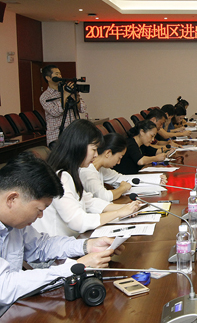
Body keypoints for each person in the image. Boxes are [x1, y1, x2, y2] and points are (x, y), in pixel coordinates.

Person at [0, 152, 123, 307]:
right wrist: (75, 268)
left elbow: (41, 246)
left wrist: (87, 245)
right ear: (12, 199)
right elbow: (4, 288)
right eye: (39, 210)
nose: (40, 216)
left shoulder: (15, 224)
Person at [32, 120, 142, 237]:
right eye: (94, 149)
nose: (96, 155)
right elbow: (78, 221)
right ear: (79, 146)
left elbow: (89, 202)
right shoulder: (60, 177)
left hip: (71, 239)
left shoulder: (72, 172)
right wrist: (118, 213)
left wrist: (125, 207)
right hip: (58, 243)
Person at [39, 65, 87, 146]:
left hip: (74, 135)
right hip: (57, 136)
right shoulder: (45, 96)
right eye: (56, 74)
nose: (60, 76)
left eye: (60, 74)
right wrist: (65, 95)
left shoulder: (67, 89)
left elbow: (82, 108)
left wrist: (76, 97)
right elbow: (55, 112)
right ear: (48, 78)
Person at [80, 133, 132, 202]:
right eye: (119, 158)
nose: (118, 162)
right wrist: (123, 188)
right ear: (108, 153)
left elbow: (118, 178)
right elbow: (104, 197)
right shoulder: (87, 171)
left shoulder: (101, 167)